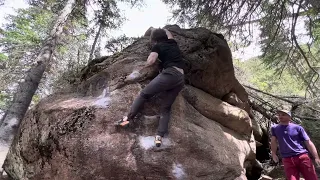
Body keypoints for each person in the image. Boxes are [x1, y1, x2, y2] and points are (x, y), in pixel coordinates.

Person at [116, 28, 185, 147]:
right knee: (166, 108)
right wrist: (162, 29)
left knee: (144, 94)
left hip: (169, 74)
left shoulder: (157, 46)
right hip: (180, 78)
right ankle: (159, 136)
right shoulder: (172, 43)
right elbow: (170, 34)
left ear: (155, 40)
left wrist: (141, 67)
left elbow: (151, 61)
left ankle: (127, 119)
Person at [271, 109, 320, 180]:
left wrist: (316, 157)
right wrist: (273, 153)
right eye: (279, 115)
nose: (280, 116)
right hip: (287, 159)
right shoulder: (275, 128)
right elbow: (273, 141)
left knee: (311, 178)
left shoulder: (298, 128)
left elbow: (308, 142)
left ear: (289, 117)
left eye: (283, 115)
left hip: (302, 157)